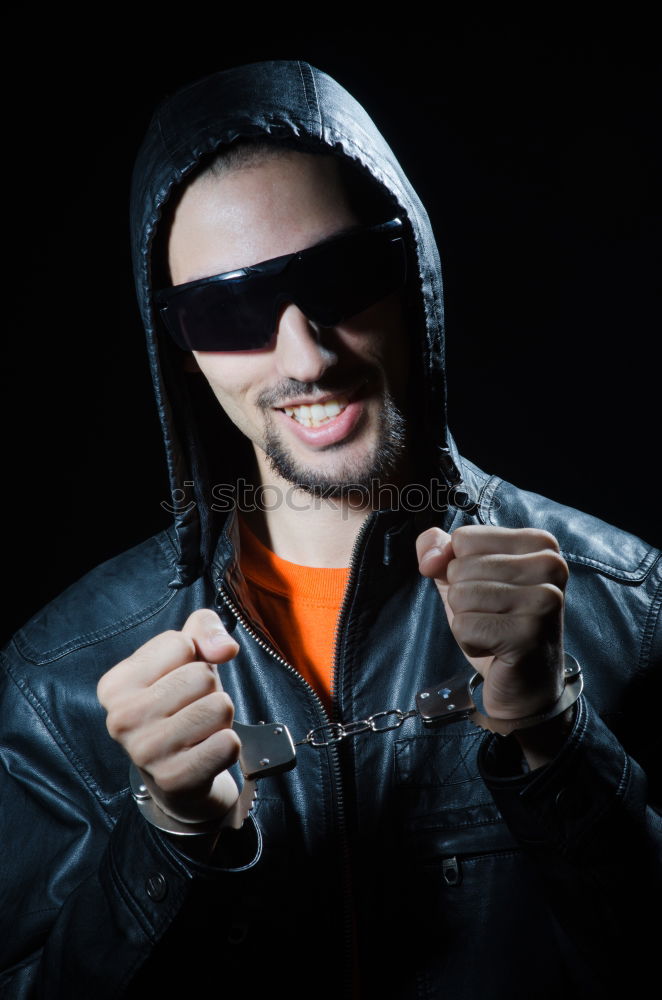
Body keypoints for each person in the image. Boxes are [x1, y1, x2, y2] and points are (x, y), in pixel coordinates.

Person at [1, 59, 659, 999]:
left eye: (340, 276)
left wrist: (555, 737)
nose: (305, 354)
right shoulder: (56, 686)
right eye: (230, 307)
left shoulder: (628, 606)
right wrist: (168, 836)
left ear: (411, 277)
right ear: (179, 348)